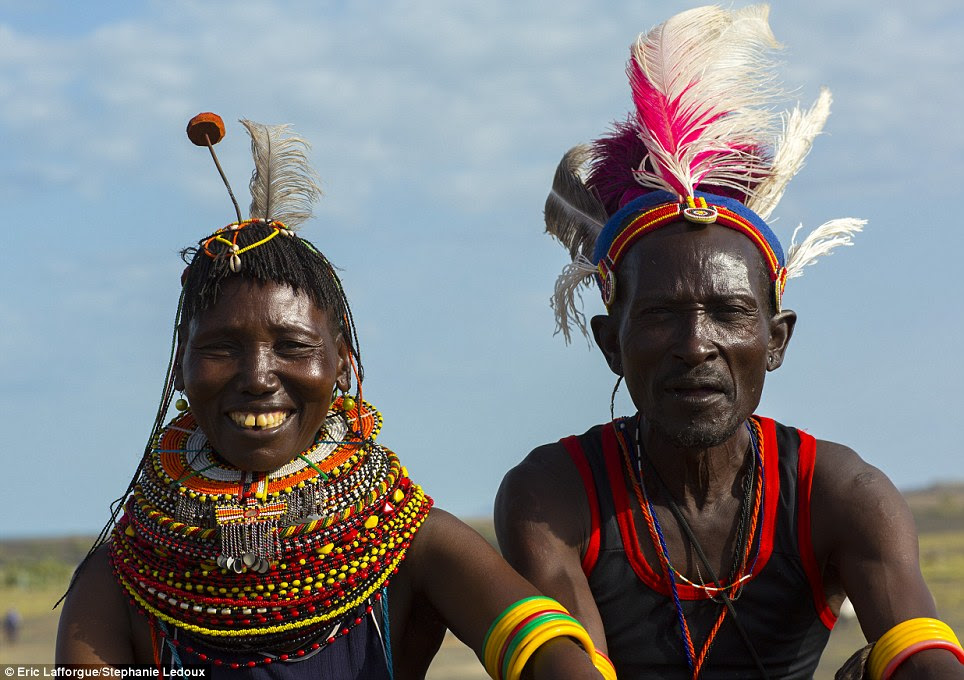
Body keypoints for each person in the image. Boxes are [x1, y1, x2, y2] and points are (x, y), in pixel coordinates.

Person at [494, 6, 964, 680]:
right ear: (610, 343)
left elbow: (926, 659)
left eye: (729, 313)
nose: (696, 345)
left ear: (776, 340)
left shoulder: (841, 494)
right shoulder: (554, 498)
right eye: (659, 315)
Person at [56, 113, 612, 680]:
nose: (257, 377)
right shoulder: (119, 580)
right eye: (221, 348)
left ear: (343, 364)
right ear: (179, 368)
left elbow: (549, 653)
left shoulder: (411, 546)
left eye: (293, 346)